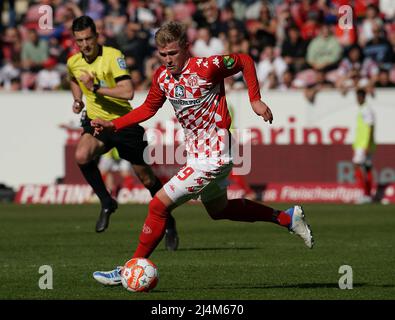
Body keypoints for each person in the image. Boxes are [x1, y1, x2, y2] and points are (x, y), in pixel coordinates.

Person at [90, 21, 314, 285]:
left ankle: (129, 269)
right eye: (162, 55)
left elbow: (243, 60)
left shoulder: (206, 67)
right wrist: (113, 124)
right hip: (199, 155)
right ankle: (286, 217)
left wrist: (255, 98)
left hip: (215, 154)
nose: (168, 59)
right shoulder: (162, 77)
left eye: (173, 53)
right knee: (219, 210)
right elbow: (148, 109)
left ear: (186, 47)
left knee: (158, 205)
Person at [67, 16, 179, 251]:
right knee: (81, 155)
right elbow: (73, 79)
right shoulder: (74, 62)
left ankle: (168, 222)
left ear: (97, 36)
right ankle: (107, 201)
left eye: (88, 38)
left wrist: (96, 87)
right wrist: (78, 100)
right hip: (97, 123)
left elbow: (128, 92)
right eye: (80, 40)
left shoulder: (112, 56)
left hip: (123, 124)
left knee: (147, 179)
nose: (85, 44)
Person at [352, 88, 376, 204]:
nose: (357, 99)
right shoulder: (363, 109)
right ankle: (368, 195)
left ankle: (365, 194)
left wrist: (367, 145)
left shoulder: (366, 109)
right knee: (367, 168)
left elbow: (370, 127)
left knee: (357, 166)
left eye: (358, 97)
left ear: (363, 97)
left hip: (363, 145)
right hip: (363, 144)